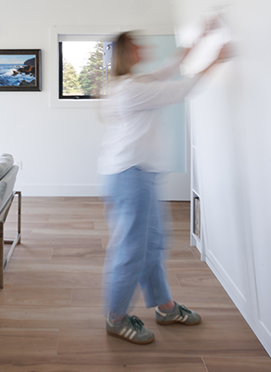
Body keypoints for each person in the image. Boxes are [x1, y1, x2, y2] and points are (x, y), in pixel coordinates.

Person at [99, 27, 231, 345]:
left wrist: (202, 36)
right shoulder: (130, 89)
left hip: (140, 175)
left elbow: (170, 68)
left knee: (154, 244)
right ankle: (115, 317)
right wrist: (217, 58)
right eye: (136, 45)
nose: (142, 48)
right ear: (125, 52)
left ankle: (166, 307)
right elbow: (182, 87)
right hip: (130, 176)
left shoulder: (134, 82)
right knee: (133, 248)